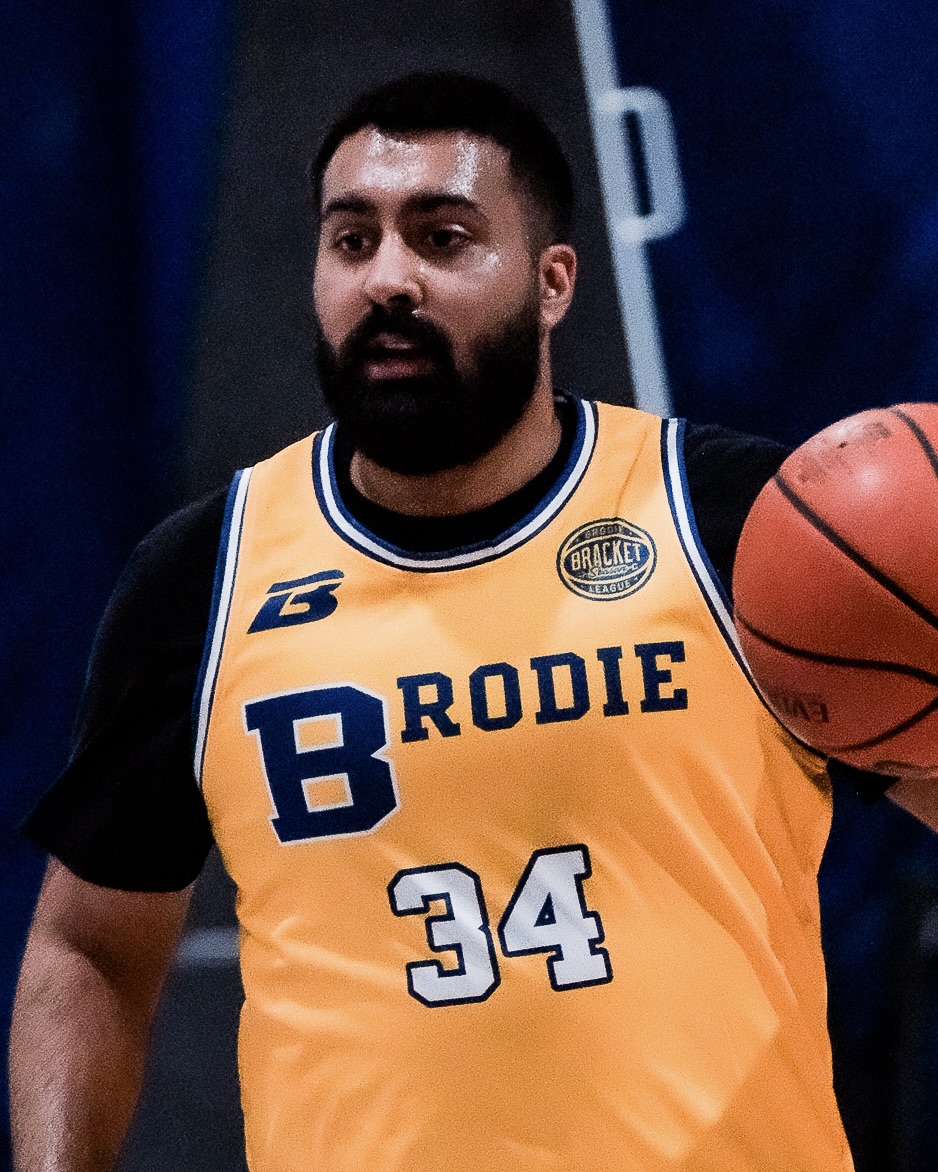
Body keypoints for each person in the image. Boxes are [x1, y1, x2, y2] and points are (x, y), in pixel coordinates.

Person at [9, 71, 937, 1172]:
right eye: (351, 241)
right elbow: (88, 948)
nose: (388, 278)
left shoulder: (734, 521)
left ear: (552, 282)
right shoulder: (205, 575)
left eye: (441, 237)